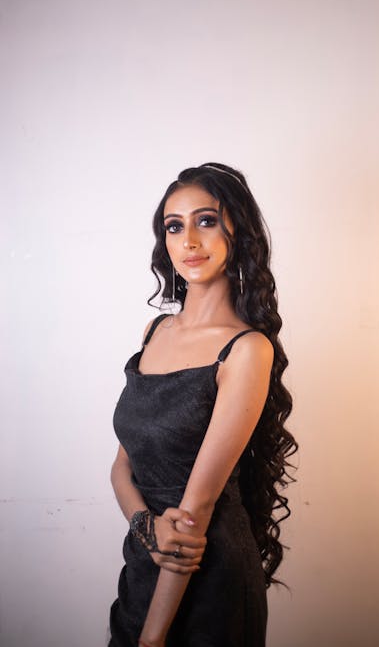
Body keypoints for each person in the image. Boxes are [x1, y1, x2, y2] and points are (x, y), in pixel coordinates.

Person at [107, 162, 298, 646]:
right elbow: (121, 469)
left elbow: (198, 507)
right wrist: (145, 525)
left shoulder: (247, 349)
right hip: (144, 565)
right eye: (175, 226)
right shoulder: (154, 332)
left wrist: (152, 639)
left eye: (207, 220)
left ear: (239, 230)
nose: (189, 239)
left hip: (208, 582)